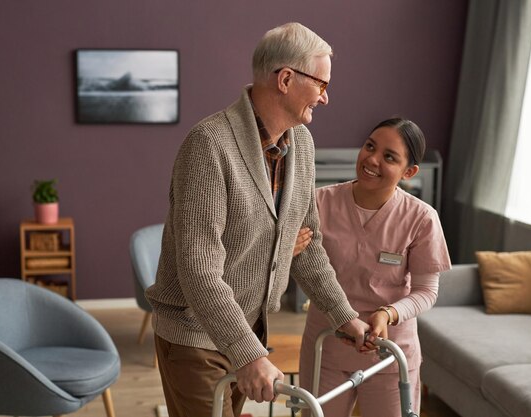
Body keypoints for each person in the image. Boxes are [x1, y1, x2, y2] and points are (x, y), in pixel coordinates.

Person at [145, 22, 370, 417]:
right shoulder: (210, 145)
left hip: (245, 331)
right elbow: (199, 271)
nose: (326, 96)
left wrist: (343, 315)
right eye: (320, 84)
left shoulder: (301, 143)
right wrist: (249, 355)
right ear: (286, 79)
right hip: (196, 337)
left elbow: (307, 242)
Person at [296, 118, 451, 417]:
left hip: (389, 354)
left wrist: (388, 313)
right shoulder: (320, 203)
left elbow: (426, 292)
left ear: (409, 172)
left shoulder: (421, 219)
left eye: (389, 157)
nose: (372, 159)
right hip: (326, 346)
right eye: (370, 146)